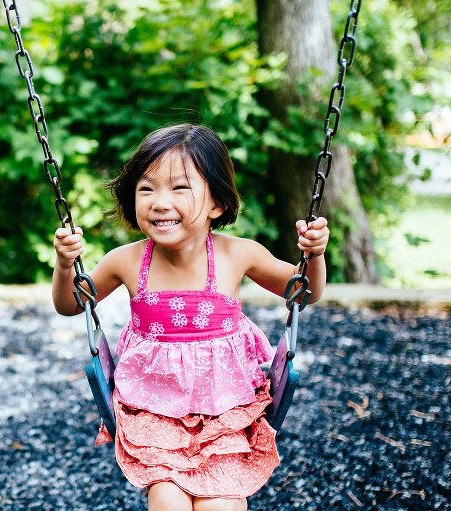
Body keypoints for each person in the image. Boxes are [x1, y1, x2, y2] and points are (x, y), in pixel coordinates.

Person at [52, 124, 329, 511]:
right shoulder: (126, 261)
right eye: (146, 189)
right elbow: (70, 303)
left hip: (226, 413)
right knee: (167, 502)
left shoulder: (238, 254)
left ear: (216, 202)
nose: (160, 202)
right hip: (155, 414)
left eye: (179, 188)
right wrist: (66, 265)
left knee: (220, 505)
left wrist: (313, 256)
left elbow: (305, 292)